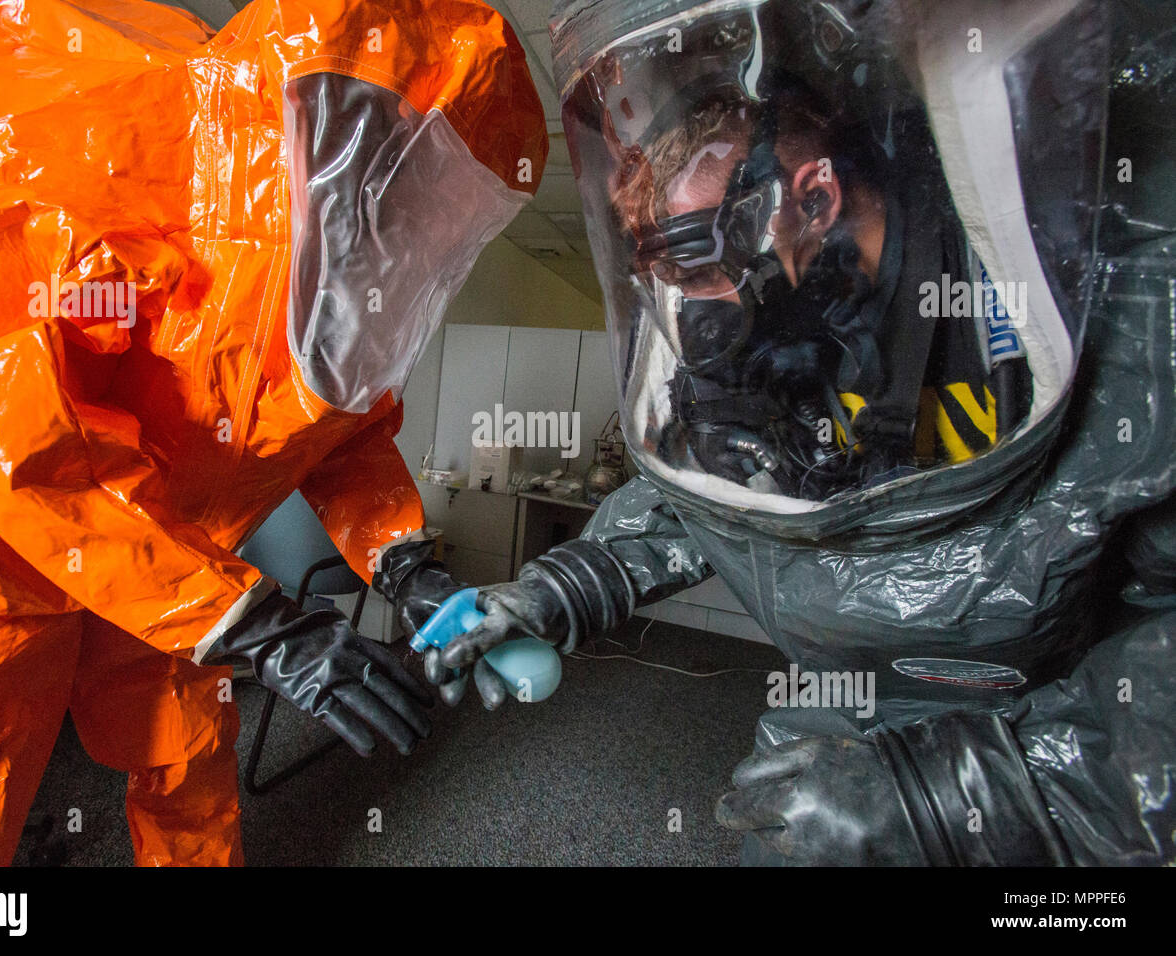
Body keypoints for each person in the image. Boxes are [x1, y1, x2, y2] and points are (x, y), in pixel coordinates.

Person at [382, 0, 1176, 865]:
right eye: (668, 275)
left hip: (1052, 751)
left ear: (816, 196)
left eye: (696, 265)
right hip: (845, 714)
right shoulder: (769, 321)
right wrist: (556, 591)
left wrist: (972, 797)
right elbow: (705, 495)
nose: (692, 312)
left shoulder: (1065, 288)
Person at [0, 0, 545, 865]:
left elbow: (330, 431)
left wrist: (402, 560)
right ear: (339, 114)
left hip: (166, 548)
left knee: (187, 751)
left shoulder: (331, 256)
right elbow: (1, 426)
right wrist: (248, 621)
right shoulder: (126, 161)